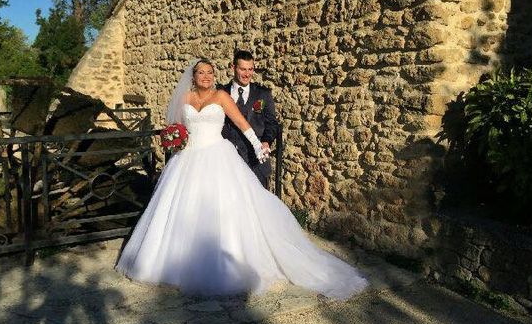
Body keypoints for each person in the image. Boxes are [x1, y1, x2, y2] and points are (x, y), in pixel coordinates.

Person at [115, 58, 367, 298]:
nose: (206, 77)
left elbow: (241, 122)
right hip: (188, 159)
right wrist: (174, 136)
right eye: (201, 72)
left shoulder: (221, 96)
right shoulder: (185, 98)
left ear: (215, 76)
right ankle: (174, 262)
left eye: (210, 73)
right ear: (193, 76)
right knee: (183, 211)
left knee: (224, 210)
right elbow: (175, 127)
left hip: (217, 155)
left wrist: (259, 146)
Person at [222, 50, 279, 188]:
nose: (247, 74)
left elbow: (271, 123)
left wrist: (266, 142)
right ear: (233, 67)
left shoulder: (263, 94)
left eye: (250, 69)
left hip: (256, 161)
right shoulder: (221, 92)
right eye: (242, 69)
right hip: (228, 161)